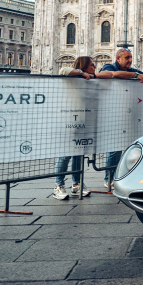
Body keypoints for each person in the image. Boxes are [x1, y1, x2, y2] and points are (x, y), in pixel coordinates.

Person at [97, 48, 143, 187]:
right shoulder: (109, 67)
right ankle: (109, 179)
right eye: (127, 58)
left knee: (129, 147)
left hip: (128, 114)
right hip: (112, 114)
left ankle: (124, 176)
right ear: (118, 58)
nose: (130, 60)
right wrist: (136, 75)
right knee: (114, 148)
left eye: (131, 57)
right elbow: (113, 74)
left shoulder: (132, 70)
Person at [53, 56, 95, 200]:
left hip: (83, 121)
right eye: (91, 65)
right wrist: (81, 74)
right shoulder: (72, 78)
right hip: (68, 120)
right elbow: (63, 69)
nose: (95, 67)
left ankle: (76, 184)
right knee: (65, 154)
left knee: (78, 154)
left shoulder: (91, 79)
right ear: (84, 67)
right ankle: (58, 185)